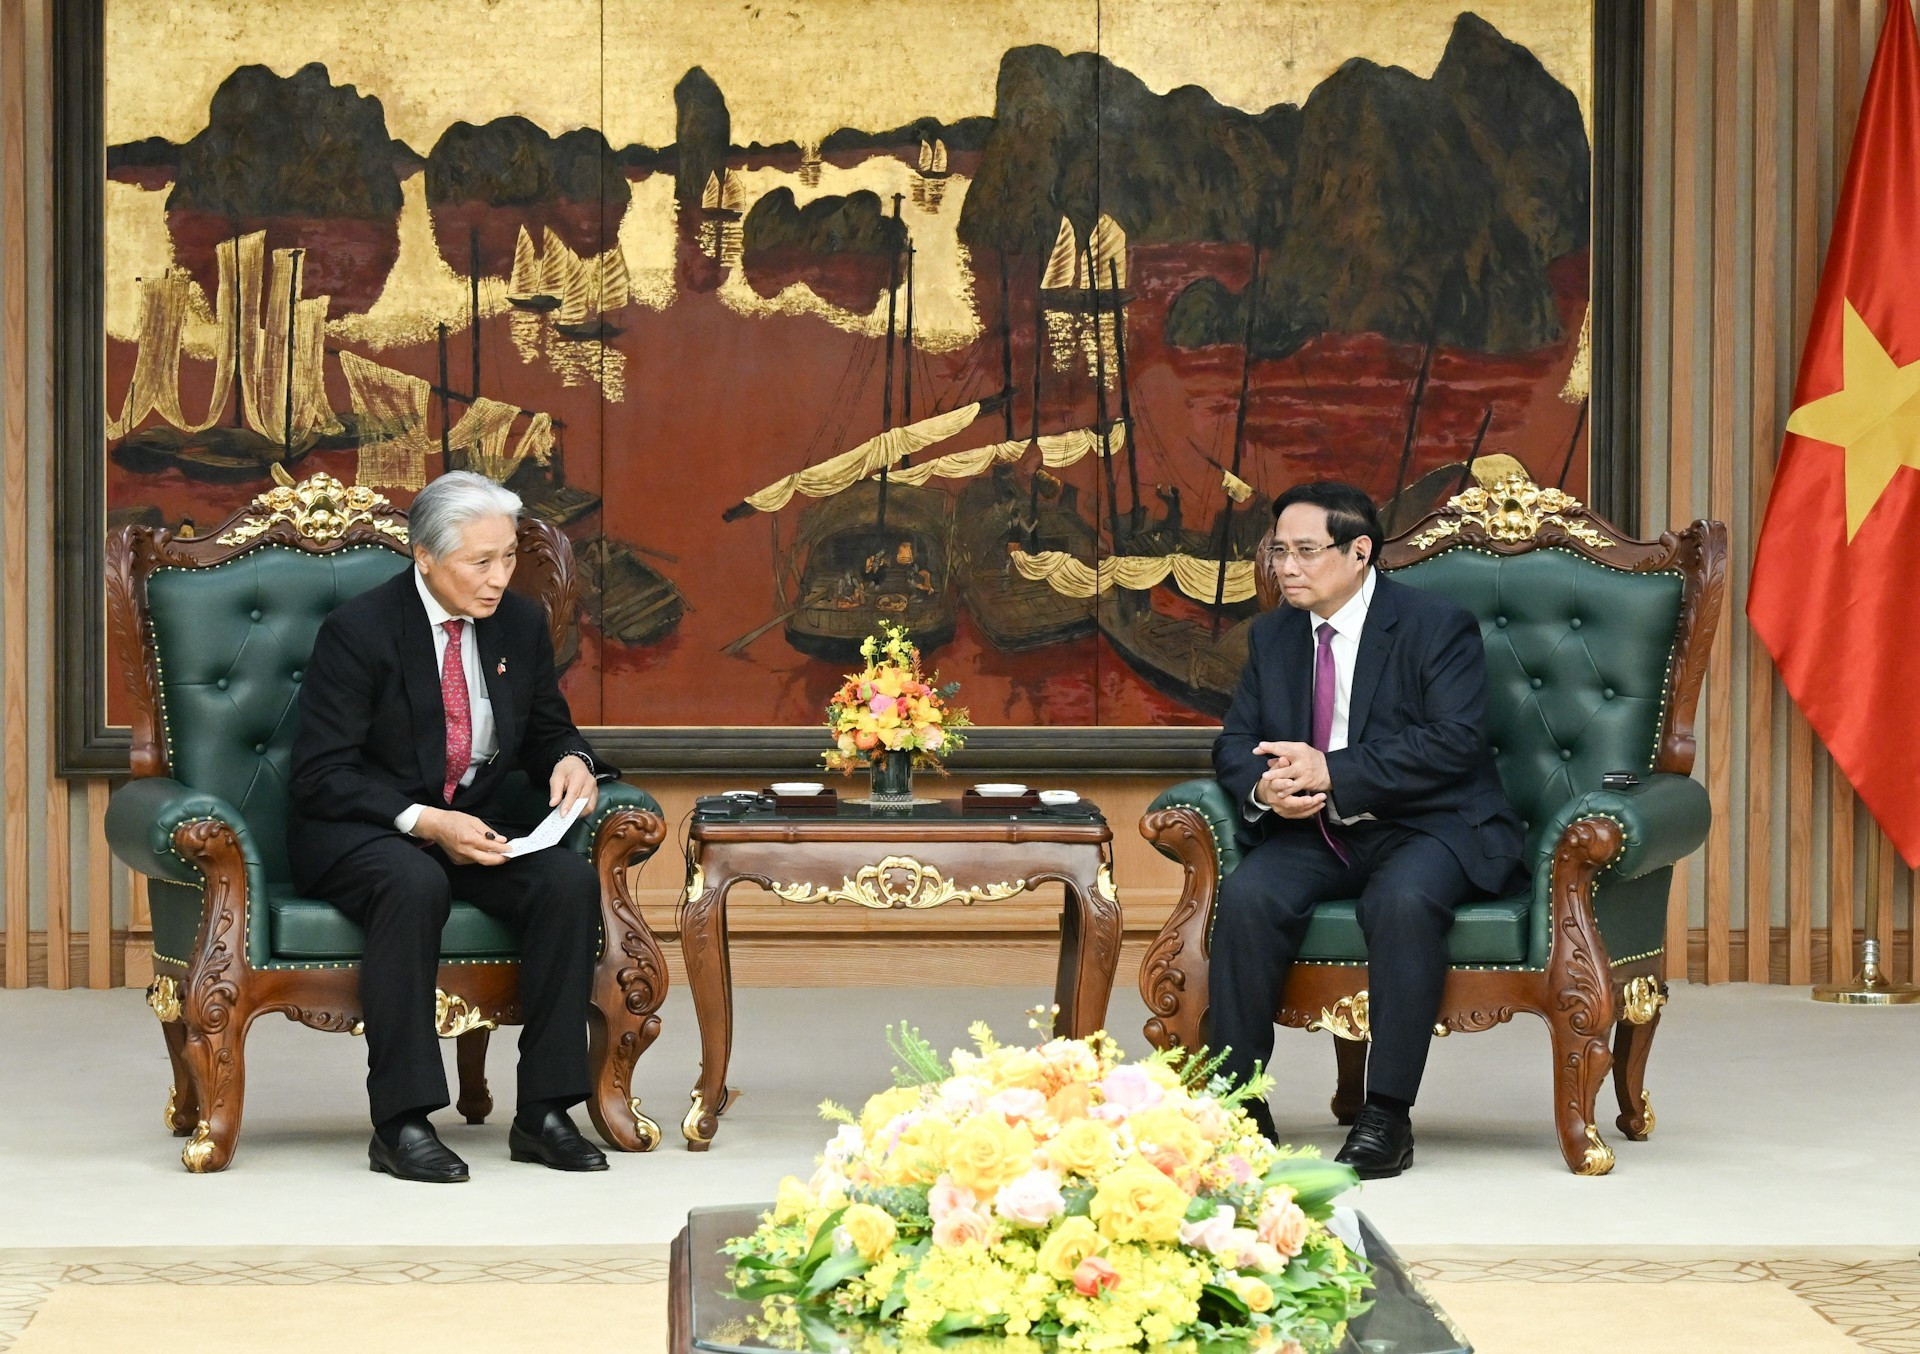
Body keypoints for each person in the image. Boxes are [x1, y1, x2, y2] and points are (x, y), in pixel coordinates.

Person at [288, 471, 613, 1184]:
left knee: (564, 882)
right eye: (480, 562)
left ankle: (547, 1112)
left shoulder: (519, 624)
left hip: (476, 824)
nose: (499, 578)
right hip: (364, 826)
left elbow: (554, 732)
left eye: (507, 558)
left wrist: (572, 763)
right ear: (425, 557)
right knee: (412, 879)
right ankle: (401, 1123)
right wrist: (426, 821)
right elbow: (321, 775)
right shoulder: (360, 632)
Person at [1208, 481, 1524, 1179]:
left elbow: (1455, 742)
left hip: (1429, 825)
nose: (1286, 568)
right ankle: (1235, 1105)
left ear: (1359, 552)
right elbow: (1235, 744)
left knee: (1402, 904)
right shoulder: (1271, 636)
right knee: (1250, 897)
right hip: (1319, 830)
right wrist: (1265, 788)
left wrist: (1333, 770)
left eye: (1304, 552)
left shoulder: (1434, 626)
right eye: (1278, 551)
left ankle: (1386, 1114)